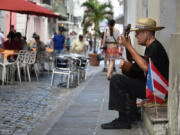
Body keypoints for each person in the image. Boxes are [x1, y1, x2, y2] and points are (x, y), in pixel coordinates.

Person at [101, 18, 169, 129]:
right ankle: (131, 115)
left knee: (117, 79)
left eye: (137, 33)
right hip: (151, 87)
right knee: (127, 77)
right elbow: (137, 61)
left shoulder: (155, 47)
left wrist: (128, 46)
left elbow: (146, 67)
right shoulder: (151, 47)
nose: (136, 36)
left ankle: (123, 121)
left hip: (157, 90)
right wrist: (129, 47)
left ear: (146, 33)